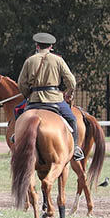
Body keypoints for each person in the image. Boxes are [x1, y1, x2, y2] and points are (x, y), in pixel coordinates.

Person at [17, 31, 83, 161]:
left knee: (19, 117)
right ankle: (75, 148)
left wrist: (28, 96)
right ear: (51, 46)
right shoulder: (58, 60)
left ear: (37, 46)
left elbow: (21, 83)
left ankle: (16, 137)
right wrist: (69, 93)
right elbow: (72, 81)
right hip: (55, 100)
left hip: (34, 101)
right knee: (72, 120)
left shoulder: (29, 61)